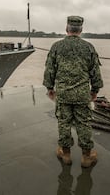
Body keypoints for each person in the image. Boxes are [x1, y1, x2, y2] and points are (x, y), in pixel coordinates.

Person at [43, 16, 103, 168]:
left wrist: (50, 88)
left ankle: (66, 154)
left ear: (66, 29)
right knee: (84, 124)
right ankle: (87, 157)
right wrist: (95, 90)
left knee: (63, 123)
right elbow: (95, 72)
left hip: (62, 94)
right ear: (81, 30)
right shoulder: (89, 47)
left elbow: (50, 70)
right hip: (82, 94)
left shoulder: (56, 46)